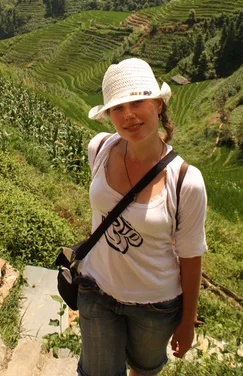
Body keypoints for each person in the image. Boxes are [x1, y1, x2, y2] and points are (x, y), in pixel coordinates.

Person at [76, 58, 208, 376]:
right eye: (118, 108)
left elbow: (190, 258)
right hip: (96, 289)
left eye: (137, 102)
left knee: (144, 371)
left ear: (158, 105)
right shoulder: (100, 149)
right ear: (109, 115)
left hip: (155, 304)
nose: (129, 115)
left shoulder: (186, 181)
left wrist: (188, 321)